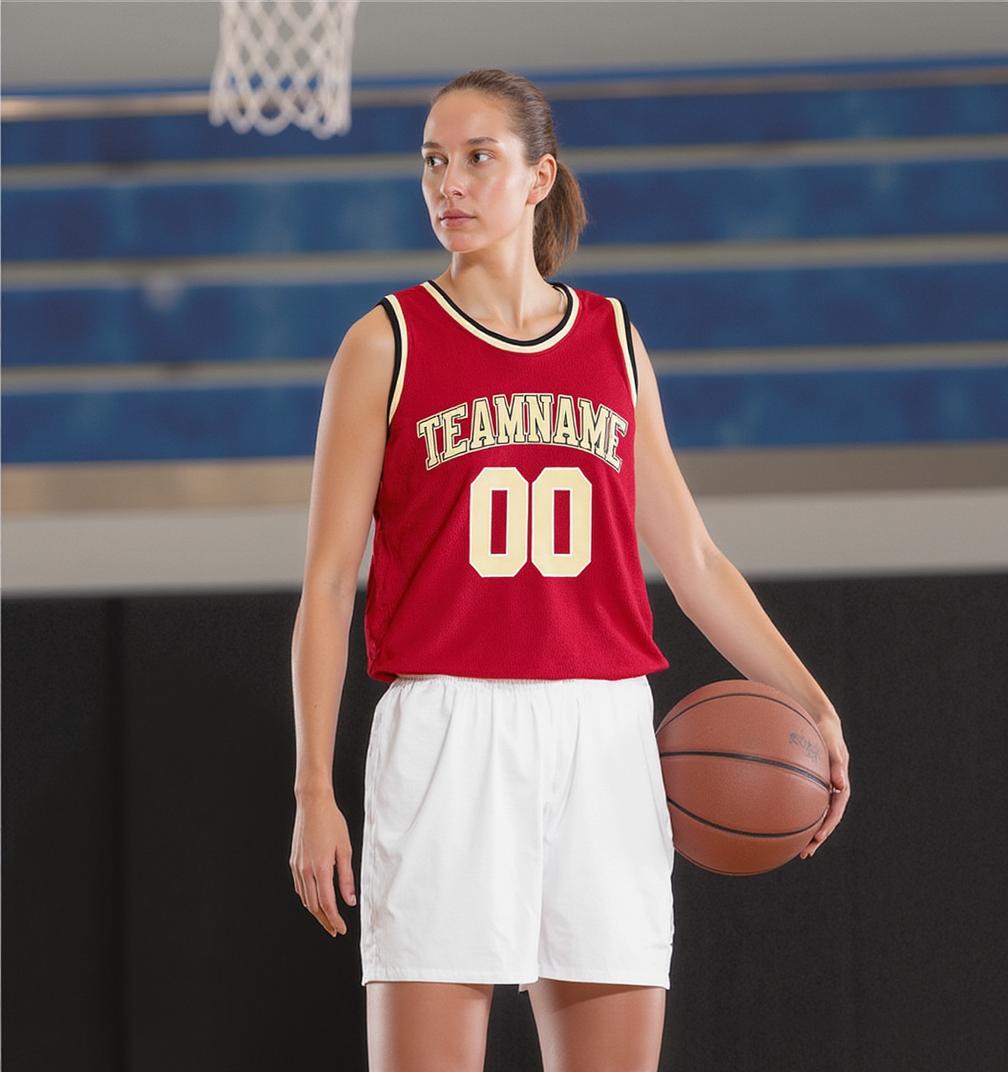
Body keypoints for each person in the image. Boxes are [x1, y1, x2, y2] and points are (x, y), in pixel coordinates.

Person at [290, 67, 851, 1072]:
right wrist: (312, 788)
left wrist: (809, 699)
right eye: (433, 161)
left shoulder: (612, 338)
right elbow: (330, 584)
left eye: (477, 159)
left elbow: (691, 556)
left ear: (539, 176)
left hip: (604, 731)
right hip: (448, 724)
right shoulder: (386, 343)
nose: (448, 184)